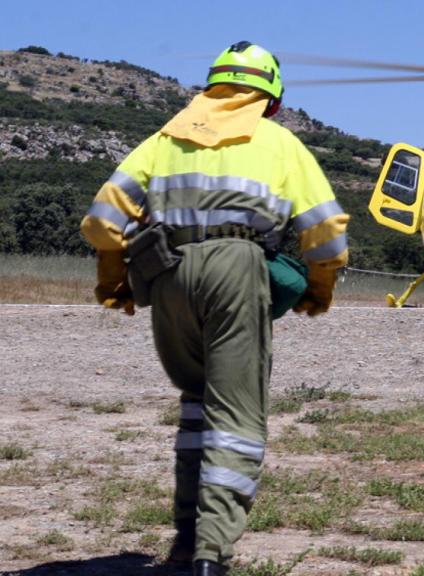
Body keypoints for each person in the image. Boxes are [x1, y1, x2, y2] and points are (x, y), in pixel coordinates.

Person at [79, 41, 349, 576]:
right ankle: (211, 552)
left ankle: (185, 540)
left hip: (169, 270)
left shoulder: (165, 138)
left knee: (197, 404)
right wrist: (320, 288)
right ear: (270, 100)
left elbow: (102, 219)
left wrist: (115, 284)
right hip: (237, 266)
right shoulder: (278, 141)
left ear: (210, 89)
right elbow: (326, 232)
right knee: (237, 415)